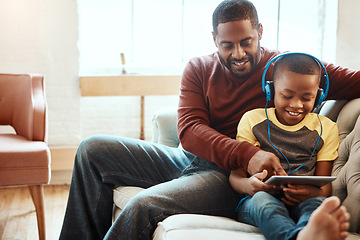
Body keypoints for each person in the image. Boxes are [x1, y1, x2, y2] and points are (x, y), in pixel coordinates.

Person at [60, 0, 360, 239]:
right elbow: (189, 130)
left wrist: (246, 159)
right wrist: (250, 152)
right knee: (92, 149)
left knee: (144, 204)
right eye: (227, 45)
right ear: (214, 38)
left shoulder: (285, 70)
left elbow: (354, 80)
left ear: (260, 33)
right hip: (188, 158)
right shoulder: (199, 68)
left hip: (225, 177)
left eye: (247, 42)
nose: (238, 53)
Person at [229, 53, 348, 240]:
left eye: (307, 98)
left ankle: (306, 234)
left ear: (319, 96)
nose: (296, 104)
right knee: (264, 202)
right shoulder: (252, 120)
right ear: (271, 90)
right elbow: (235, 177)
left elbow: (324, 188)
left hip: (303, 201)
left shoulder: (327, 128)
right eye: (287, 95)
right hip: (257, 201)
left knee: (317, 204)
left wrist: (311, 193)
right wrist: (249, 186)